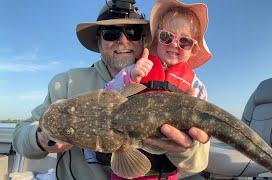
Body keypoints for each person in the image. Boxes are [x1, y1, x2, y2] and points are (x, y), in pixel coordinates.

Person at [12, 0, 210, 180]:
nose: (122, 41)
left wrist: (183, 149)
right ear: (99, 41)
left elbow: (199, 162)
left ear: (144, 40)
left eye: (132, 32)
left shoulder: (179, 89)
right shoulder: (66, 83)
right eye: (111, 34)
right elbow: (21, 135)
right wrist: (43, 138)